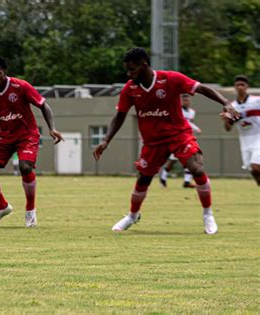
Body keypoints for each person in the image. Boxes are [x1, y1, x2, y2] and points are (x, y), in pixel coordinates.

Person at [92, 47, 239, 234]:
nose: (129, 74)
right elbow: (120, 116)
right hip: (153, 142)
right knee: (143, 179)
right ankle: (132, 216)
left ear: (144, 65)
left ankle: (208, 214)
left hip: (179, 135)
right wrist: (106, 140)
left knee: (197, 168)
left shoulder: (170, 79)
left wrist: (226, 103)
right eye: (127, 70)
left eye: (132, 69)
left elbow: (200, 88)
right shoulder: (130, 89)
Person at [0, 56, 64, 228]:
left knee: (25, 167)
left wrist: (52, 128)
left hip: (27, 134)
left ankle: (30, 211)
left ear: (5, 72)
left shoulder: (20, 86)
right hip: (5, 135)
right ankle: (2, 207)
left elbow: (44, 105)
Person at [220, 75, 260, 186]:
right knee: (253, 170)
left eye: (242, 84)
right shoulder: (230, 106)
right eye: (237, 85)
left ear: (247, 86)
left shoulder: (257, 101)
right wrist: (226, 121)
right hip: (245, 141)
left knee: (256, 167)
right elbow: (228, 128)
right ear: (235, 87)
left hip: (258, 137)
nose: (240, 87)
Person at [160, 94, 202, 188]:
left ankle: (187, 182)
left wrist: (195, 129)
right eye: (183, 100)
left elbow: (189, 123)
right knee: (172, 161)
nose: (186, 102)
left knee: (190, 159)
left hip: (187, 139)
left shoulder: (192, 112)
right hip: (177, 139)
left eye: (187, 100)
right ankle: (163, 179)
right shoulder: (177, 111)